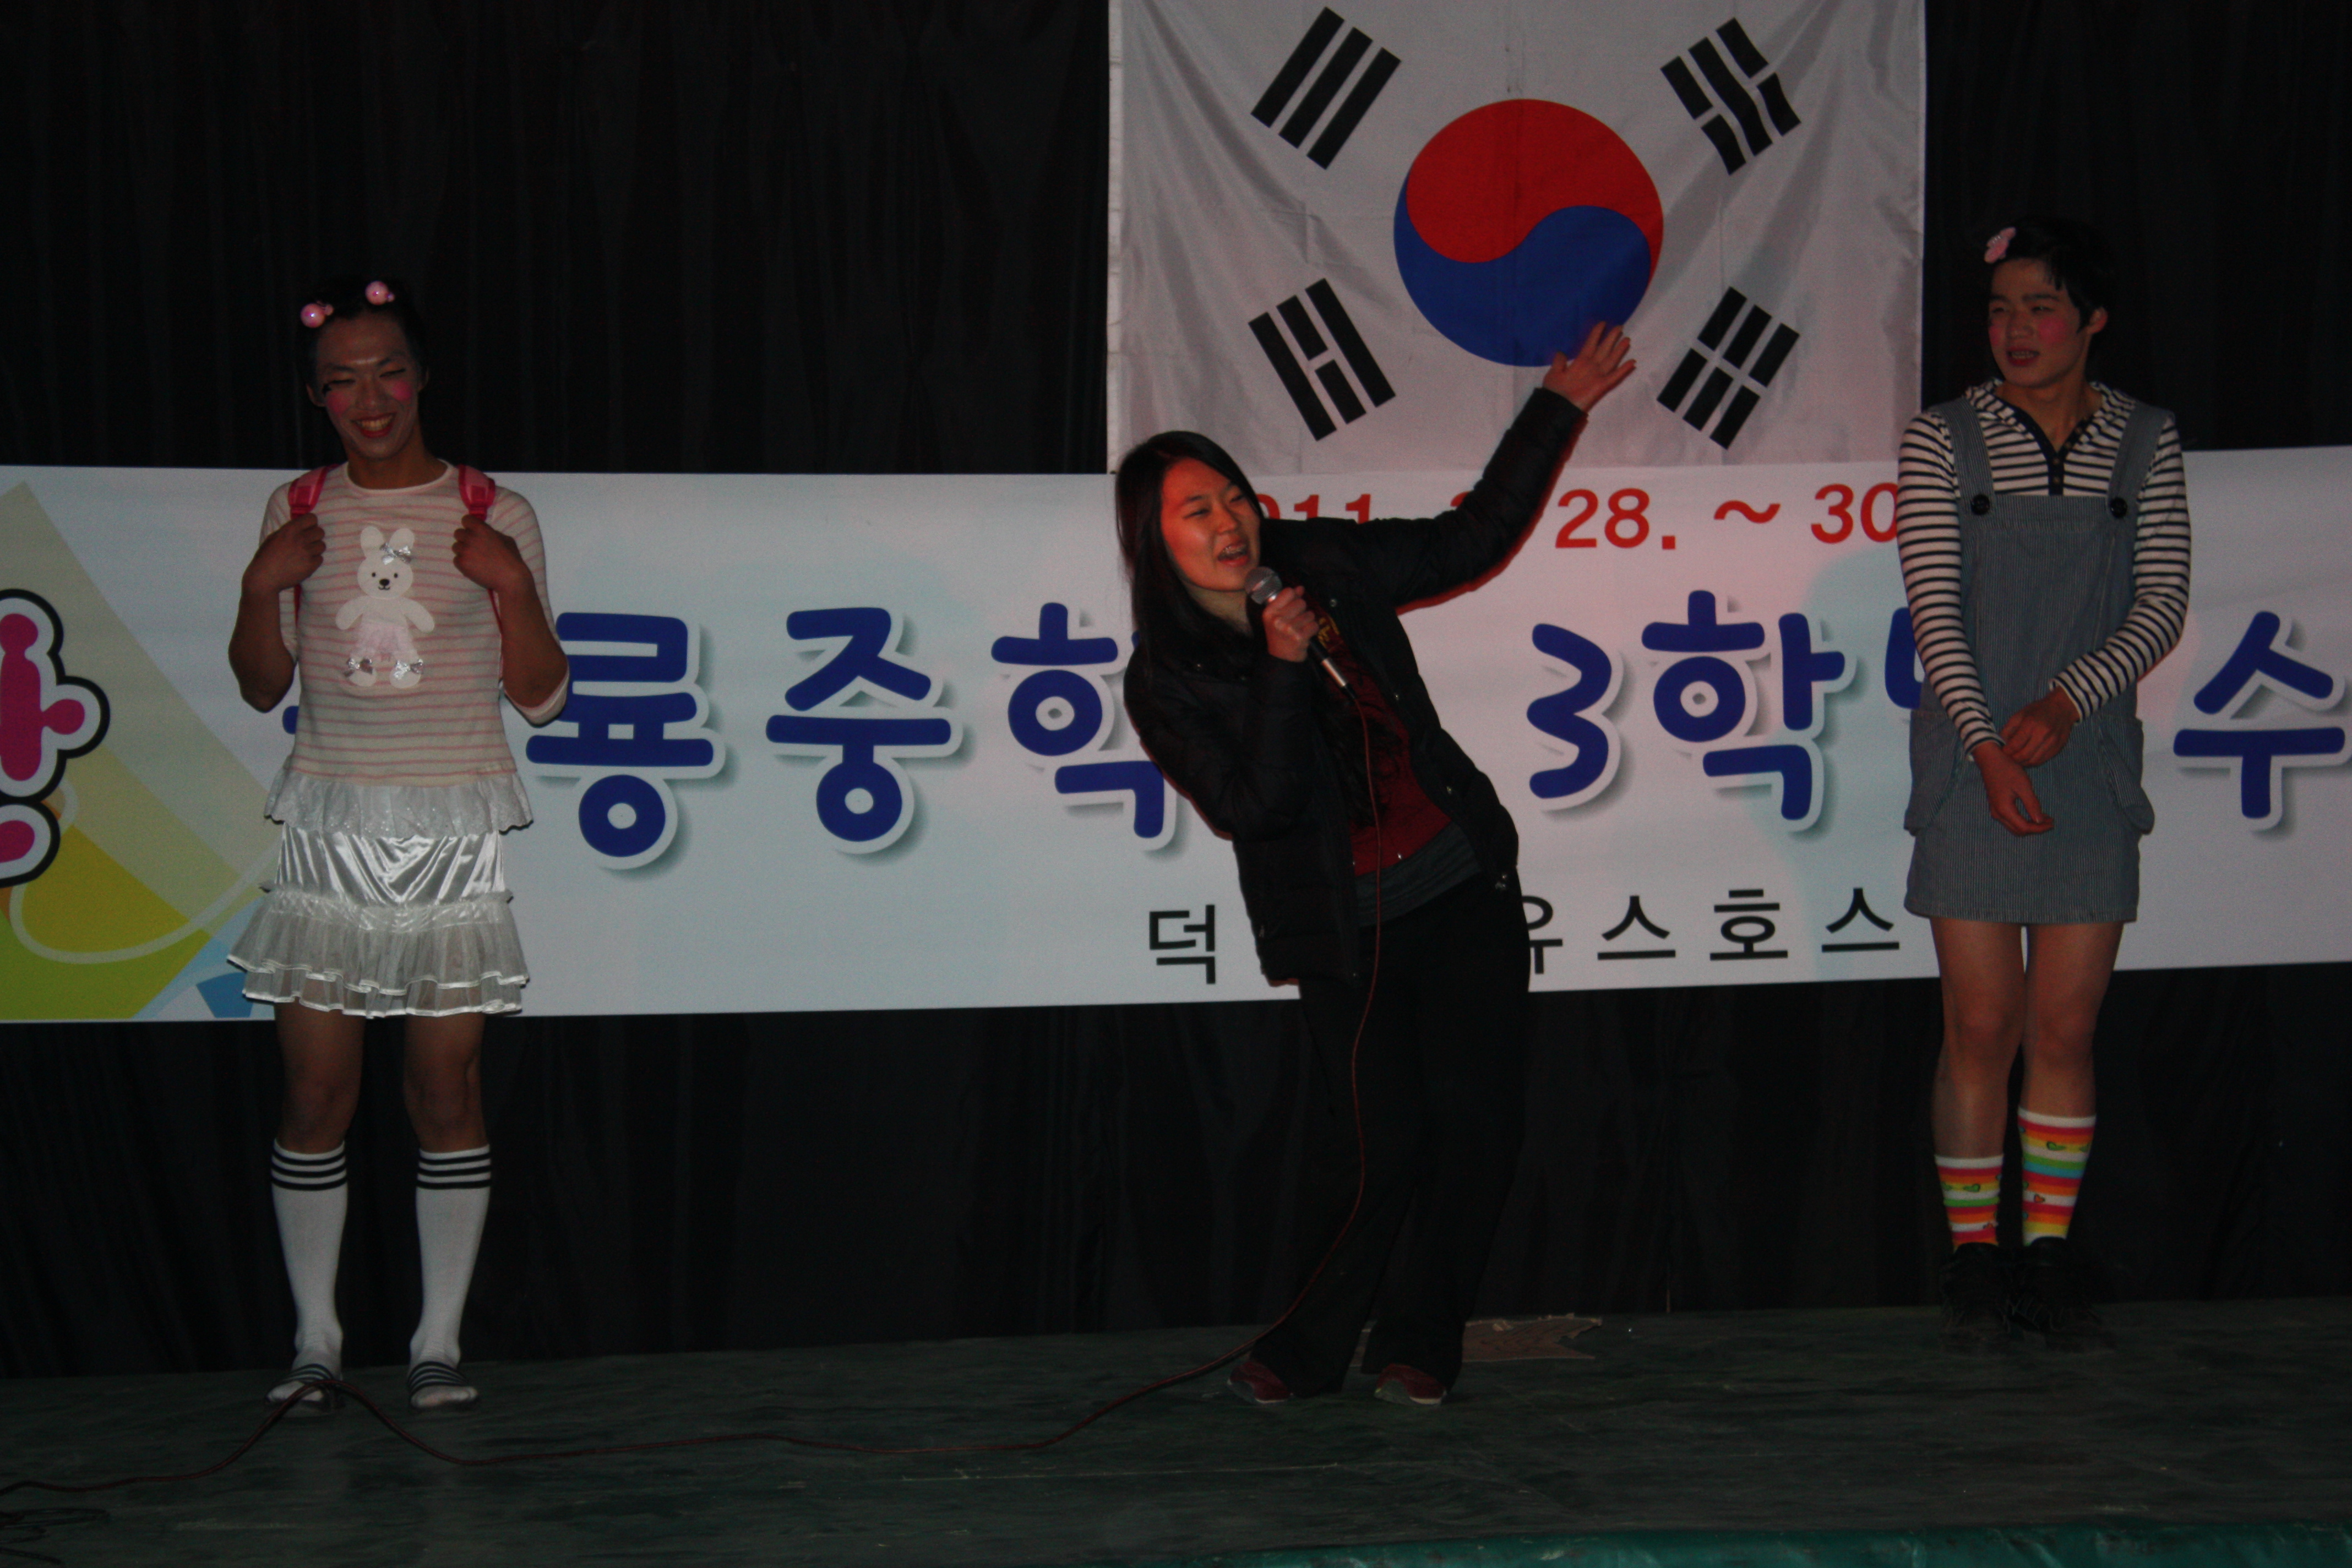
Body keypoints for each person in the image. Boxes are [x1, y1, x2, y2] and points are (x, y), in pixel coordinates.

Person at [1115, 322, 1634, 1407]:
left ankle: (1422, 1340)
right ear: (1153, 542)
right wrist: (1279, 665)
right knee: (1374, 1143)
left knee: (1477, 1126)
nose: (1228, 521)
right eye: (1196, 510)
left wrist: (1558, 408)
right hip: (1345, 929)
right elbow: (1252, 807)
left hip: (1461, 883)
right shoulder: (1166, 676)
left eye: (1233, 497)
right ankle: (1306, 1349)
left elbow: (1468, 541)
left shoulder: (1322, 563)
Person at [226, 277, 570, 1412]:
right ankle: (315, 1341)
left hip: (451, 829)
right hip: (330, 825)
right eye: (342, 382)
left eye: (387, 373)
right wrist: (260, 586)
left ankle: (438, 1344)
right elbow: (260, 683)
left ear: (422, 379)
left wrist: (509, 582)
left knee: (444, 1088)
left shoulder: (492, 509)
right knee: (315, 1093)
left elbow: (545, 698)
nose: (368, 398)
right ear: (317, 398)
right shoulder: (296, 508)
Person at [1896, 219, 2190, 1352]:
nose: (2017, 330)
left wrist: (2067, 704)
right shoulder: (1944, 438)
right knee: (1981, 1020)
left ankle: (2049, 1250)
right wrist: (1988, 746)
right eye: (2001, 309)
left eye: (2042, 308)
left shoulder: (2145, 439)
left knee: (2066, 1023)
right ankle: (1974, 1252)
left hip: (2088, 757)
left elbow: (2161, 600)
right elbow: (1935, 612)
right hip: (1972, 762)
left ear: (2093, 319)